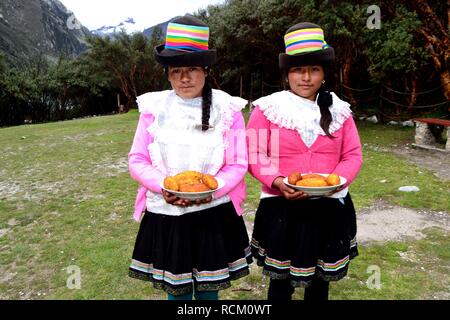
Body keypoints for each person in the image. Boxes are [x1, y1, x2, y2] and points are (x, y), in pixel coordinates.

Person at [127, 15, 252, 300]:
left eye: (193, 69)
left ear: (206, 70)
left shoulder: (228, 109)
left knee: (209, 291)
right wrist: (165, 186)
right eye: (176, 70)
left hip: (213, 214)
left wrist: (211, 190)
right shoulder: (153, 109)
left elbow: (237, 163)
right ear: (168, 74)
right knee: (178, 291)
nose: (184, 78)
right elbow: (137, 159)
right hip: (168, 215)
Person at [247, 22, 363, 300]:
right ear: (288, 74)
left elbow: (352, 155)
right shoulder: (268, 109)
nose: (306, 77)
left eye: (314, 69)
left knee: (320, 284)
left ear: (323, 73)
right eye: (299, 70)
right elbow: (254, 153)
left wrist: (338, 181)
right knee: (280, 284)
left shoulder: (339, 110)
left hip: (329, 208)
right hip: (282, 209)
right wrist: (276, 181)